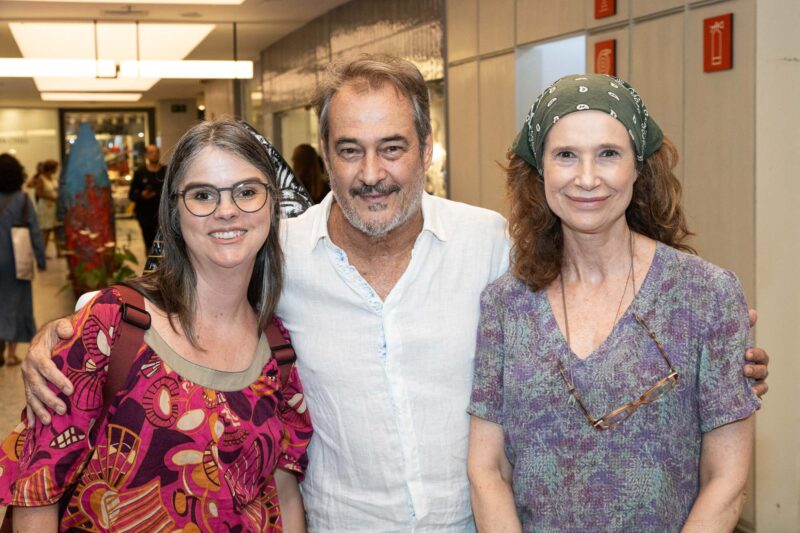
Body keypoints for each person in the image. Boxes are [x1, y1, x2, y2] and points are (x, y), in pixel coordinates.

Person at [20, 56, 770, 531]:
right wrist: (63, 331)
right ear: (327, 156)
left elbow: (598, 308)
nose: (371, 173)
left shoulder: (492, 246)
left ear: (426, 150)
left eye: (392, 148)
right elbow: (178, 297)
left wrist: (712, 364)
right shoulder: (277, 253)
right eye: (350, 150)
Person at [467, 74, 759, 531]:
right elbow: (488, 471)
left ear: (639, 167)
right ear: (540, 170)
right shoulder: (506, 305)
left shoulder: (706, 295)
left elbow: (726, 480)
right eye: (566, 155)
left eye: (608, 154)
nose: (587, 178)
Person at [0, 120, 311, 531]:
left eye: (247, 191)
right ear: (174, 211)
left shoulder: (278, 350)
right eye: (202, 195)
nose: (226, 210)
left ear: (272, 203)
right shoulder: (113, 325)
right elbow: (37, 491)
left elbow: (283, 496)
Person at [0, 154, 46, 367]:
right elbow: (35, 232)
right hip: (16, 260)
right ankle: (11, 353)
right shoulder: (23, 200)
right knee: (16, 303)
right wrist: (41, 260)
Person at [129, 144, 167, 251]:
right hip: (145, 216)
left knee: (164, 246)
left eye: (156, 152)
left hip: (163, 215)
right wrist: (142, 196)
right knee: (149, 245)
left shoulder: (166, 171)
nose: (154, 154)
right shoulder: (140, 173)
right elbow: (131, 195)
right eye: (151, 152)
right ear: (146, 155)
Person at [29, 159, 59, 256]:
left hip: (54, 206)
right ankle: (42, 252)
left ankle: (59, 252)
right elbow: (39, 193)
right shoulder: (41, 178)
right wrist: (52, 198)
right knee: (46, 231)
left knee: (57, 229)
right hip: (46, 207)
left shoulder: (53, 178)